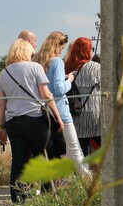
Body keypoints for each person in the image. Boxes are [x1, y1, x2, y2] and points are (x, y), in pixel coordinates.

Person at [0, 38, 64, 203]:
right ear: (27, 52)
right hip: (35, 119)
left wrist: (1, 127)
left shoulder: (4, 73)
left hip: (13, 122)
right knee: (47, 156)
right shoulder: (35, 67)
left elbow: (1, 104)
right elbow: (46, 95)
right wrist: (58, 117)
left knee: (19, 161)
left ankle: (19, 200)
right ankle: (49, 196)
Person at [34, 31, 90, 176]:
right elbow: (58, 89)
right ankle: (87, 178)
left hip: (42, 111)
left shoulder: (37, 61)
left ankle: (66, 179)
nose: (61, 50)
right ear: (57, 45)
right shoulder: (57, 61)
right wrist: (69, 80)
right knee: (74, 147)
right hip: (60, 110)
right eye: (61, 47)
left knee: (54, 150)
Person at [64, 37, 101, 158]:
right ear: (87, 50)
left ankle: (80, 176)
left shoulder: (67, 67)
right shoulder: (95, 67)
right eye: (92, 48)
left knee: (80, 152)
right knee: (105, 148)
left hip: (75, 114)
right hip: (94, 114)